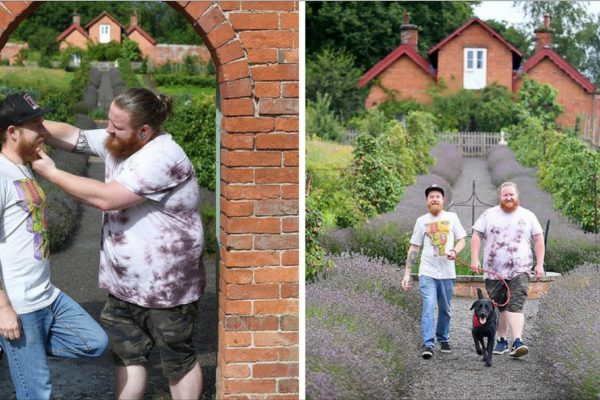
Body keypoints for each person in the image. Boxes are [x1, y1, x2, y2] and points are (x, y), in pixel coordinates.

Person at [32, 88, 206, 400]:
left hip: (166, 287)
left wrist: (53, 174)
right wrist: (32, 126)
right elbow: (78, 137)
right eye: (109, 123)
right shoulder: (121, 141)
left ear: (144, 131)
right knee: (128, 356)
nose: (108, 130)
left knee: (177, 361)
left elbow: (107, 198)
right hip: (124, 284)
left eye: (116, 126)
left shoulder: (162, 157)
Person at [0, 92, 108, 399]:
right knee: (37, 392)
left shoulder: (26, 168)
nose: (45, 132)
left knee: (94, 342)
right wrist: (2, 307)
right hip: (20, 306)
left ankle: (19, 349)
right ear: (12, 132)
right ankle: (18, 346)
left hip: (47, 296)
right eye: (37, 125)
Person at [470, 181, 544, 358]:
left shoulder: (528, 215)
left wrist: (539, 264)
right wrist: (474, 258)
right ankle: (502, 341)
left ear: (517, 196)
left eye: (512, 194)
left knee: (515, 304)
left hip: (521, 268)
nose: (509, 197)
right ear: (500, 196)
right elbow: (476, 235)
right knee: (499, 307)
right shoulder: (489, 215)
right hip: (494, 271)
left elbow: (539, 239)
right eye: (505, 195)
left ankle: (518, 341)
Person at [401, 184, 466, 359]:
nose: (435, 199)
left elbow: (462, 240)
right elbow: (414, 247)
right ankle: (428, 343)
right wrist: (407, 273)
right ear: (427, 201)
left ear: (443, 200)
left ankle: (443, 338)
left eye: (438, 196)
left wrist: (454, 251)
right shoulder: (421, 221)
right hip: (427, 272)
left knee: (445, 309)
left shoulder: (452, 217)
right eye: (431, 197)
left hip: (447, 273)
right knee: (428, 307)